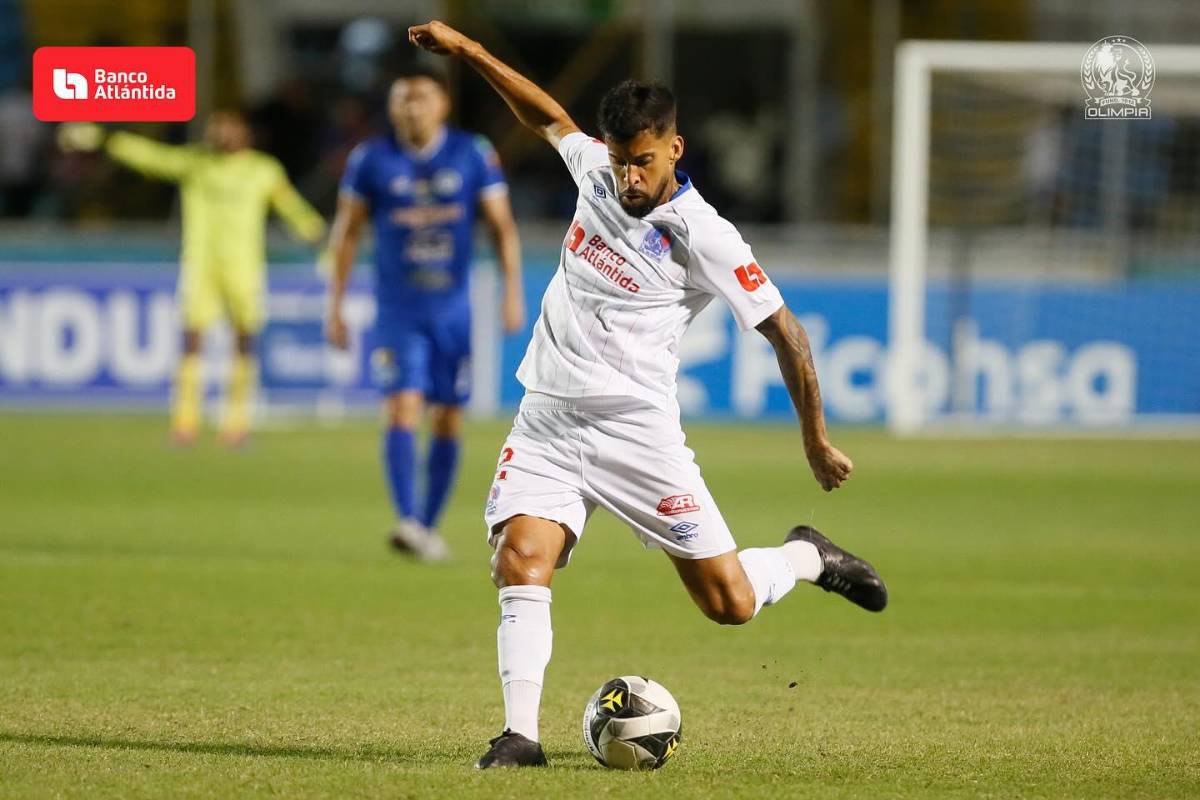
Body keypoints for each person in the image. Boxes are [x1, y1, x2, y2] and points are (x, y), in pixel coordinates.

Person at [407, 20, 889, 769]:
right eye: (620, 162)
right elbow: (544, 116)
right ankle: (519, 736)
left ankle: (804, 557)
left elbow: (787, 335)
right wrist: (469, 53)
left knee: (727, 602)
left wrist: (814, 440)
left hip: (638, 434)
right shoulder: (594, 171)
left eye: (642, 163)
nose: (629, 179)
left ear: (674, 148)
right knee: (518, 558)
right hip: (550, 421)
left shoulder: (705, 235)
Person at [324, 67, 525, 561]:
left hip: (453, 310)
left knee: (448, 419)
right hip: (398, 309)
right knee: (401, 405)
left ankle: (427, 525)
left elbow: (501, 225)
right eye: (402, 98)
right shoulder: (370, 159)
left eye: (421, 98)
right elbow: (347, 232)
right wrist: (336, 303)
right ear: (392, 108)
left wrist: (512, 290)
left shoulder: (472, 153)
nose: (412, 106)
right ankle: (409, 520)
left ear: (442, 106)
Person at [58, 112, 326, 445]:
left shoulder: (262, 169)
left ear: (245, 134)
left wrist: (316, 233)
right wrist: (106, 140)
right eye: (215, 129)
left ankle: (236, 424)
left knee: (244, 340)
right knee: (192, 340)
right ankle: (185, 423)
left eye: (228, 128)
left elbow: (290, 206)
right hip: (200, 264)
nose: (220, 135)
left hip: (243, 267)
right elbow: (150, 157)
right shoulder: (196, 163)